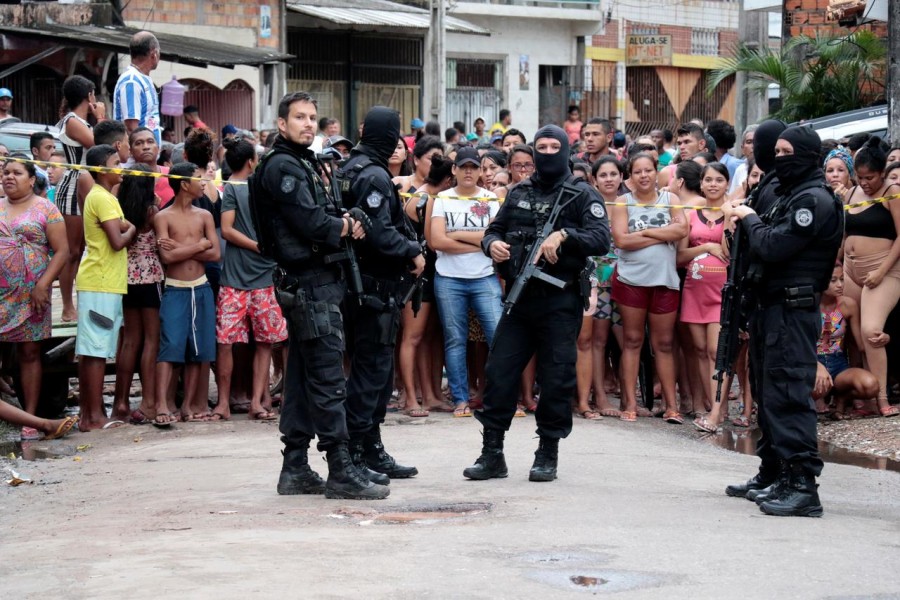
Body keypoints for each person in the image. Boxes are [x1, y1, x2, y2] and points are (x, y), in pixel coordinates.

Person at [250, 91, 384, 499]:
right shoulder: (283, 166)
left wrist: (345, 218)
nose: (308, 124)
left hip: (317, 278)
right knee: (327, 377)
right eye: (300, 118)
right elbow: (310, 221)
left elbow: (323, 212)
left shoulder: (303, 161)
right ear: (282, 124)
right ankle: (340, 468)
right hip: (307, 281)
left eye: (312, 117)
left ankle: (295, 466)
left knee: (303, 377)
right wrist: (345, 227)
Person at [464, 125, 610, 483]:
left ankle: (548, 452)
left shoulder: (581, 194)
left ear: (564, 149)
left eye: (553, 146)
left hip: (560, 299)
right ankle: (492, 453)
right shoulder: (519, 193)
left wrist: (566, 234)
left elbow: (601, 238)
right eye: (540, 146)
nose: (546, 152)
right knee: (499, 373)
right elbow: (494, 230)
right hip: (519, 298)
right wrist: (491, 246)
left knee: (557, 377)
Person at [722, 125, 844, 517]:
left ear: (808, 155)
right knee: (769, 393)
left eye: (787, 151)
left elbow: (774, 246)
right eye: (777, 150)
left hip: (793, 310)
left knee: (790, 396)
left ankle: (803, 486)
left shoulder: (814, 200)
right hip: (769, 308)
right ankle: (775, 472)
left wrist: (750, 218)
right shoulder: (787, 192)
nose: (779, 158)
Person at [342, 105, 425, 482]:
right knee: (371, 371)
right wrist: (412, 250)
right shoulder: (372, 175)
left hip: (360, 284)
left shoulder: (349, 167)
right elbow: (376, 232)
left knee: (373, 369)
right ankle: (358, 452)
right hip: (373, 286)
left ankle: (370, 448)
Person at [212, 138, 287, 422]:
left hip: (253, 277)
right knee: (254, 343)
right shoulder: (236, 188)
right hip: (244, 277)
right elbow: (228, 231)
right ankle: (240, 402)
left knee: (236, 343)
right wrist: (259, 246)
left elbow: (229, 231)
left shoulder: (244, 188)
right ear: (251, 162)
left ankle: (242, 402)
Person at [610, 153, 688, 424]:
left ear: (657, 172)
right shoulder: (623, 202)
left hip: (665, 280)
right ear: (630, 177)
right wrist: (661, 232)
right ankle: (630, 403)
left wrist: (643, 234)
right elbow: (620, 240)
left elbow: (681, 230)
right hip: (631, 280)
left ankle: (671, 406)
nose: (644, 175)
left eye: (648, 170)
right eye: (637, 171)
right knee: (632, 341)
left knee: (664, 343)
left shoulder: (672, 200)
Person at [430, 147, 502, 417]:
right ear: (454, 170)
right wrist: (480, 244)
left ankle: (500, 397)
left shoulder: (490, 198)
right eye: (464, 167)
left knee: (498, 338)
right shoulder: (443, 199)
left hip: (484, 278)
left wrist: (457, 234)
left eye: (474, 167)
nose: (469, 171)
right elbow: (437, 241)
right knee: (455, 341)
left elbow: (495, 236)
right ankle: (460, 399)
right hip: (449, 280)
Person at [0, 158, 69, 439]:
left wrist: (43, 283)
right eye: (5, 172)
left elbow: (62, 251)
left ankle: (30, 418)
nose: (9, 177)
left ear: (31, 180)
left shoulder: (46, 209)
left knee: (29, 353)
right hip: (1, 294)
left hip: (32, 294)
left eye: (17, 173)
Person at [152, 162, 219, 426]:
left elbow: (215, 254)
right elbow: (166, 257)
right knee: (170, 347)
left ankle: (189, 406)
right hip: (176, 289)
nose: (203, 183)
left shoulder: (204, 215)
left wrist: (182, 246)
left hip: (201, 288)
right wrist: (198, 245)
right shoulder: (163, 217)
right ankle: (161, 404)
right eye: (198, 178)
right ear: (184, 184)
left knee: (198, 350)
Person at [75, 145, 136, 431]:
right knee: (97, 351)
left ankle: (90, 413)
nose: (121, 168)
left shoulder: (104, 198)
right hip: (100, 282)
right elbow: (118, 240)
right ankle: (94, 416)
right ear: (102, 169)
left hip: (102, 281)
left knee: (92, 350)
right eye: (115, 163)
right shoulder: (103, 198)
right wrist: (133, 229)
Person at [841, 137, 900, 418]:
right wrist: (838, 264)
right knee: (851, 334)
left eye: (871, 177)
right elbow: (844, 233)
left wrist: (881, 270)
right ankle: (858, 396)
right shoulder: (852, 193)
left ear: (882, 173)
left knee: (871, 331)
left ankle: (882, 397)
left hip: (885, 269)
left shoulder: (893, 192)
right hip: (851, 269)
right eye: (860, 177)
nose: (865, 183)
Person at [677, 163, 731, 432]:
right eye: (708, 180)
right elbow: (680, 255)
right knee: (699, 350)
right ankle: (711, 405)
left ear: (727, 184)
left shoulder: (732, 212)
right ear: (701, 183)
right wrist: (708, 246)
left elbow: (734, 252)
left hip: (722, 292)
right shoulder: (690, 215)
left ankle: (718, 410)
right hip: (694, 289)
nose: (712, 185)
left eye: (718, 180)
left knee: (716, 351)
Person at [399, 156, 454, 417]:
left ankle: (430, 394)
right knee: (413, 337)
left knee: (430, 337)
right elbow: (433, 242)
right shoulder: (425, 200)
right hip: (415, 276)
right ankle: (411, 397)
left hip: (432, 273)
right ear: (446, 181)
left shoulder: (427, 195)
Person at [112, 164, 164, 425]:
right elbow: (160, 244)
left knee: (130, 340)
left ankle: (120, 401)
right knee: (151, 341)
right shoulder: (151, 212)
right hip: (150, 277)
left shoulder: (119, 208)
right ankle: (149, 401)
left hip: (127, 277)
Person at [56, 75, 103, 323]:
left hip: (90, 187)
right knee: (72, 250)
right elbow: (100, 147)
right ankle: (66, 306)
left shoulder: (82, 121)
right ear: (89, 96)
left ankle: (84, 301)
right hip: (74, 186)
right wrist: (102, 118)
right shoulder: (73, 121)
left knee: (86, 248)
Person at [814, 263, 880, 419]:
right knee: (814, 388)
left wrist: (881, 338)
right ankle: (812, 404)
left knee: (871, 386)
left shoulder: (848, 305)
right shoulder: (809, 306)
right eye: (833, 280)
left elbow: (861, 344)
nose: (840, 285)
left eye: (842, 279)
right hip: (813, 364)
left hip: (839, 366)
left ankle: (841, 400)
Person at [588, 156, 626, 417]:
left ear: (622, 177)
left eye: (614, 174)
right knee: (598, 341)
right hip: (598, 282)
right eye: (603, 175)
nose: (609, 179)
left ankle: (628, 399)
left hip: (628, 279)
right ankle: (600, 397)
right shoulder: (590, 206)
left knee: (629, 341)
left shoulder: (629, 203)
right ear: (594, 180)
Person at [113, 31, 161, 144]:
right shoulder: (132, 81)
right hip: (136, 159)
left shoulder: (142, 78)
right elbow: (131, 127)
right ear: (154, 54)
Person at [129, 127, 174, 208]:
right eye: (139, 143)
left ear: (158, 148)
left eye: (150, 142)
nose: (146, 147)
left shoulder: (172, 174)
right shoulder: (124, 179)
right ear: (130, 151)